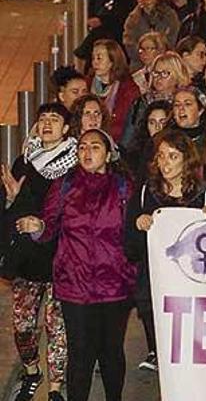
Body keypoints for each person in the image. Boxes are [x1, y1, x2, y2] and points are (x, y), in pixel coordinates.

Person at [15, 128, 135, 401]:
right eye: (82, 147)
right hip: (74, 285)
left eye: (94, 147)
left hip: (114, 285)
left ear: (108, 154)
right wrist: (37, 227)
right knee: (80, 354)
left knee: (111, 353)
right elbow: (49, 230)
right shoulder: (65, 184)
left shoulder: (123, 186)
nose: (86, 152)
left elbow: (133, 232)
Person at [125, 129, 206, 373]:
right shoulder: (146, 192)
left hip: (192, 291)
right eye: (162, 156)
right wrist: (139, 224)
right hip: (155, 285)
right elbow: (130, 246)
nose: (165, 163)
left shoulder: (205, 194)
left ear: (186, 159)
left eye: (173, 156)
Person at [1, 103, 76, 401]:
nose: (47, 124)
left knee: (56, 328)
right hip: (28, 259)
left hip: (59, 257)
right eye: (42, 118)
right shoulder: (24, 160)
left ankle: (55, 389)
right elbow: (13, 209)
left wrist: (40, 220)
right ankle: (32, 372)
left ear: (66, 128)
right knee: (22, 326)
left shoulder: (73, 165)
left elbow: (71, 211)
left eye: (54, 119)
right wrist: (12, 201)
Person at [87, 39, 141, 143]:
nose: (95, 62)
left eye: (99, 58)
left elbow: (130, 124)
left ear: (112, 61)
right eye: (93, 58)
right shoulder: (87, 83)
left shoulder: (127, 88)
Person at [123, 0, 181, 70]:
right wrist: (145, 54)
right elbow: (129, 43)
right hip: (139, 65)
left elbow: (173, 39)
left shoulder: (170, 16)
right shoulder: (132, 19)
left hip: (165, 63)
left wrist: (158, 55)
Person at [167, 86, 206, 158]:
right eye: (177, 105)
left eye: (187, 104)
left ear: (200, 110)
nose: (181, 109)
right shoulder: (163, 139)